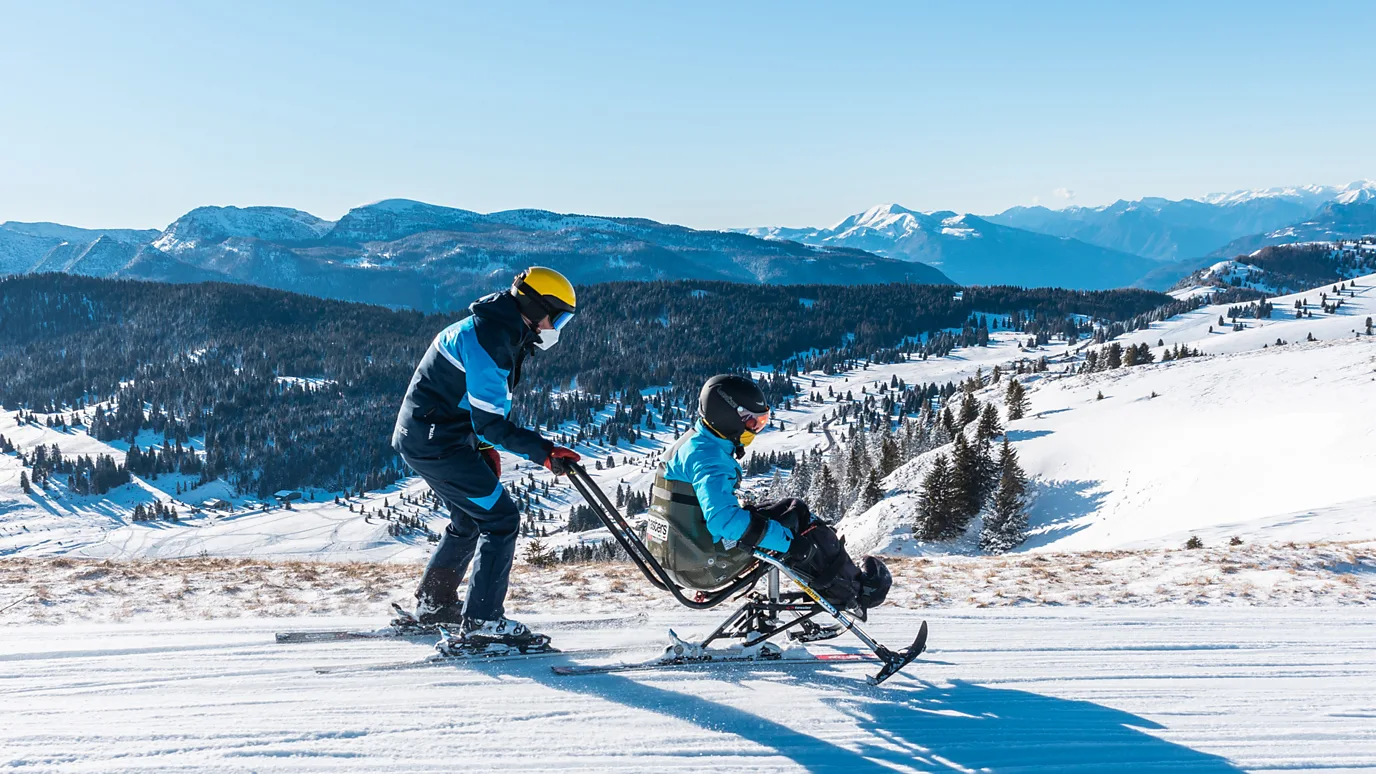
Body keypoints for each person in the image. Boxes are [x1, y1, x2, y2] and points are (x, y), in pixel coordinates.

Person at [392, 266, 582, 645]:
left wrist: (480, 446)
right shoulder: (490, 341)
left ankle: (435, 604)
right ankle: (483, 622)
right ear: (535, 306)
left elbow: (460, 401)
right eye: (556, 316)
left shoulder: (497, 328)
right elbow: (491, 423)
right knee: (501, 519)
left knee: (470, 519)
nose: (554, 327)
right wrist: (545, 453)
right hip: (437, 442)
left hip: (431, 436)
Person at [645, 374, 891, 614]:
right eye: (752, 421)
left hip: (676, 557)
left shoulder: (694, 443)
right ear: (727, 416)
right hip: (704, 564)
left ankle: (837, 581)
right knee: (798, 519)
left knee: (786, 510)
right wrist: (792, 544)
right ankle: (856, 589)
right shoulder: (709, 459)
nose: (756, 429)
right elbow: (724, 521)